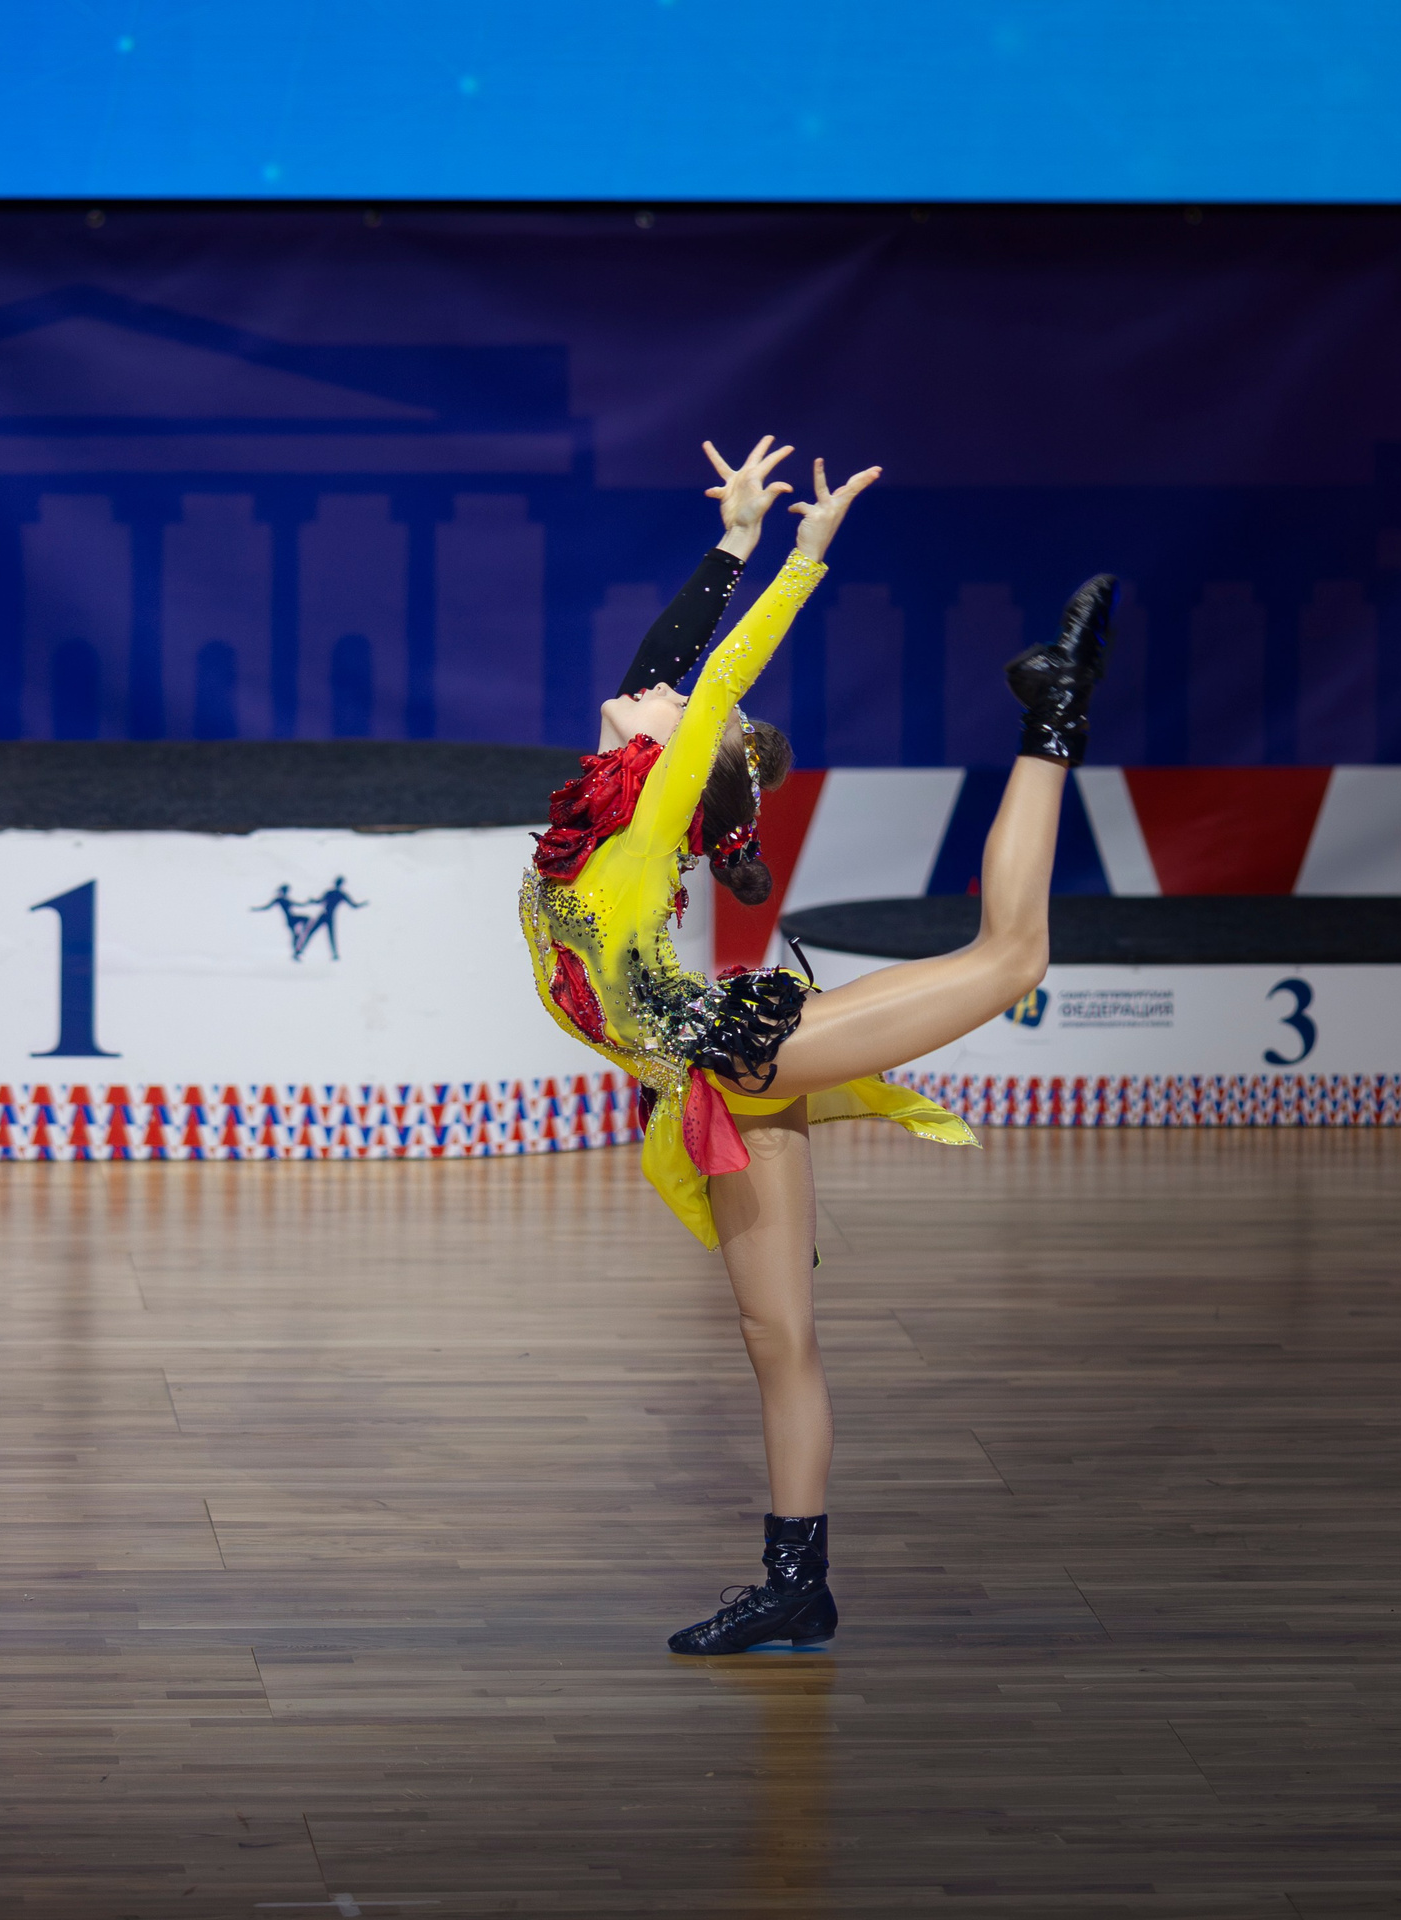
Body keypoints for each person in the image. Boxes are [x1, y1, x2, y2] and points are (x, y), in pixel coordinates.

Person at [521, 435, 1114, 1655]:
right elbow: (667, 664)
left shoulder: (639, 819)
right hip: (709, 1091)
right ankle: (798, 1585)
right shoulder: (610, 800)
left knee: (1010, 959)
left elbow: (711, 671)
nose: (651, 686)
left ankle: (1054, 718)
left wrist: (796, 559)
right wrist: (728, 538)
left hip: (740, 1052)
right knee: (772, 1333)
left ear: (679, 763)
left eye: (681, 709)